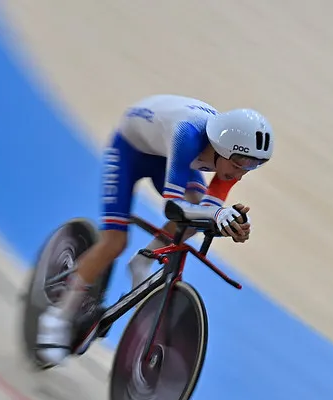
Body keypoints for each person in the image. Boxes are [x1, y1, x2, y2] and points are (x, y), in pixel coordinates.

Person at [34, 94, 275, 367]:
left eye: (252, 166)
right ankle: (57, 317)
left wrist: (230, 225)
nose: (241, 174)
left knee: (196, 215)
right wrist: (217, 213)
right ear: (221, 147)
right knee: (114, 242)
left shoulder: (228, 158)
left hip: (167, 155)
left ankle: (143, 261)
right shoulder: (188, 134)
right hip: (130, 153)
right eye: (239, 164)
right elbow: (174, 209)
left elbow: (207, 212)